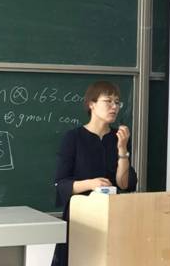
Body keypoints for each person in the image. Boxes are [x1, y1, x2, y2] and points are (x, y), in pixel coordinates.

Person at [51, 81, 138, 266]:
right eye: (108, 101)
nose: (114, 107)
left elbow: (125, 184)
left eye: (117, 102)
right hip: (81, 219)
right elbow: (61, 183)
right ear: (91, 104)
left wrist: (122, 150)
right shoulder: (73, 138)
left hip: (112, 217)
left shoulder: (119, 138)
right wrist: (91, 184)